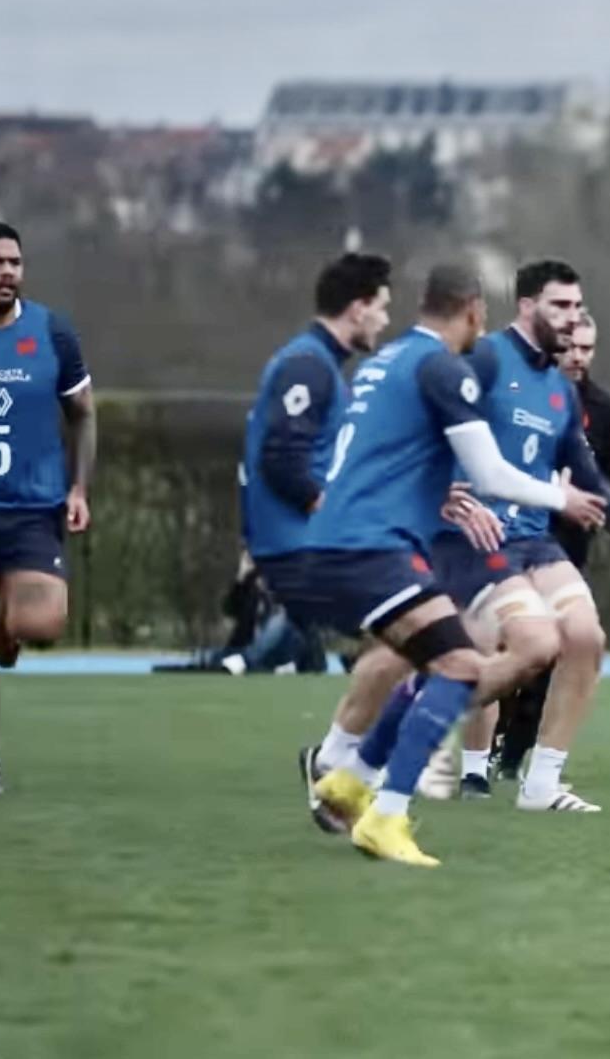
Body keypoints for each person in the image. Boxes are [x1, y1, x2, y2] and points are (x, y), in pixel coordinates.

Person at [292, 263, 607, 866]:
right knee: (460, 667)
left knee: (452, 659)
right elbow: (489, 474)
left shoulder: (383, 363)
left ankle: (349, 779)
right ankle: (381, 812)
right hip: (372, 544)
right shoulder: (443, 368)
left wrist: (435, 489)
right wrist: (558, 497)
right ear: (473, 313)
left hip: (351, 536)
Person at [426, 260, 610, 811]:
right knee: (490, 653)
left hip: (534, 542)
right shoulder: (486, 357)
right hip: (475, 539)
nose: (571, 317)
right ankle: (407, 741)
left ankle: (541, 784)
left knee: (586, 637)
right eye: (560, 306)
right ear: (528, 305)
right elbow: (432, 422)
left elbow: (587, 475)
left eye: (577, 308)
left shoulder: (560, 392)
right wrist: (439, 490)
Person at [0, 221, 98, 796]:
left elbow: (82, 411)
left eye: (15, 262)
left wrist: (78, 488)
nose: (7, 272)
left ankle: (5, 636)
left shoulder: (50, 330)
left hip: (33, 508)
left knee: (40, 623)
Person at [238, 252, 400, 819]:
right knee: (420, 630)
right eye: (381, 308)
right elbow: (281, 459)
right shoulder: (307, 365)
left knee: (411, 635)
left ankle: (337, 765)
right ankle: (345, 768)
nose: (384, 321)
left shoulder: (322, 366)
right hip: (300, 551)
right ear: (357, 309)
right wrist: (335, 514)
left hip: (308, 548)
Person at [494, 309, 610, 779]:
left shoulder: (602, 409)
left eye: (588, 349)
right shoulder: (523, 391)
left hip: (564, 546)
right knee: (502, 645)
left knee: (560, 648)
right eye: (572, 346)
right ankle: (464, 741)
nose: (579, 357)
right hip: (507, 539)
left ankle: (514, 758)